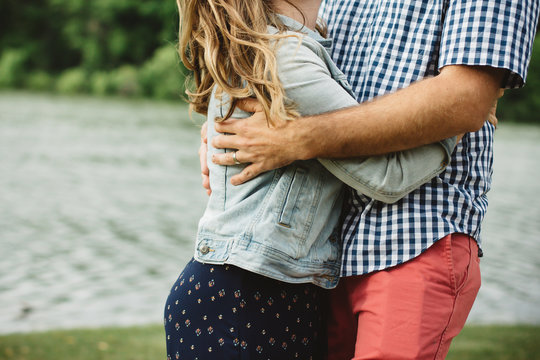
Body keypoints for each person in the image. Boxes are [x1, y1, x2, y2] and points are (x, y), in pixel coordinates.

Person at [207, 0, 540, 359]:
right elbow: (278, 60)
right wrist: (219, 129)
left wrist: (298, 139)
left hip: (415, 231)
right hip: (318, 249)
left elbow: (465, 99)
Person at [165, 0, 466, 359]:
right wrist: (456, 120)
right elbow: (388, 174)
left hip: (268, 294)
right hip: (244, 299)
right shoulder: (285, 60)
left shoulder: (280, 51)